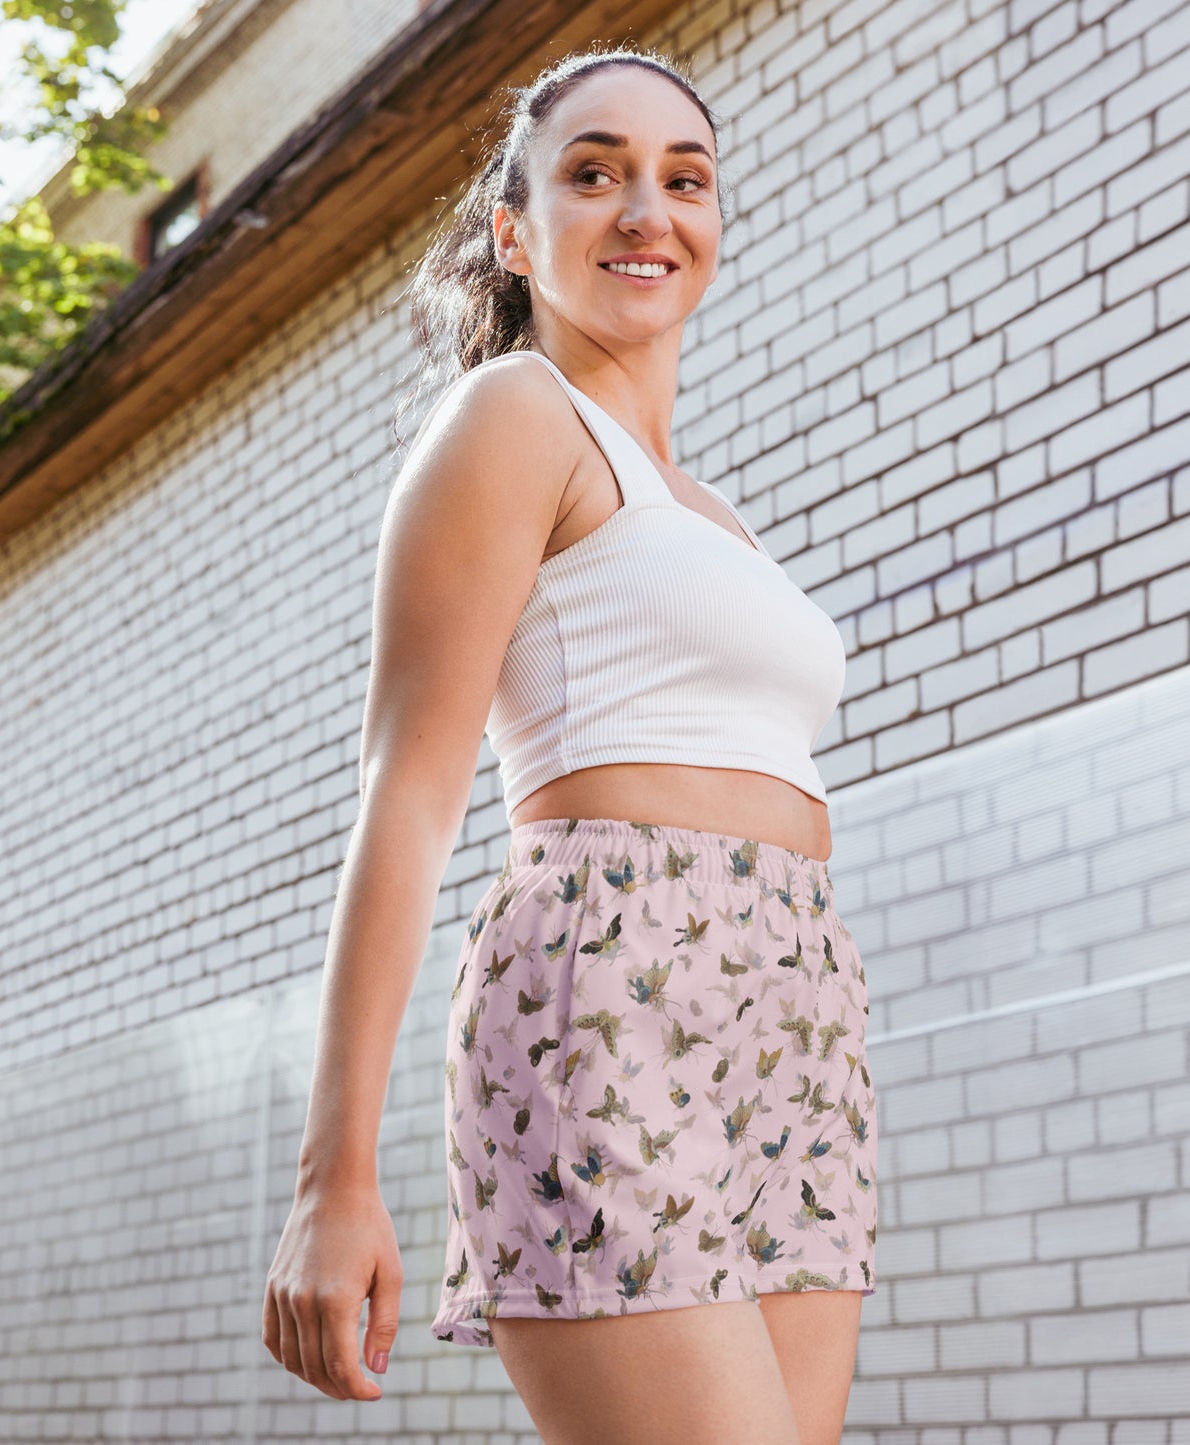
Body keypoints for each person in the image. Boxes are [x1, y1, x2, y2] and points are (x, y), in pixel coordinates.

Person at [262, 44, 877, 1445]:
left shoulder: (713, 509)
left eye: (684, 179)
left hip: (794, 1006)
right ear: (513, 230)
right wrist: (332, 1176)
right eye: (593, 173)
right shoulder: (511, 417)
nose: (645, 210)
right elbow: (406, 795)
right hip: (607, 982)